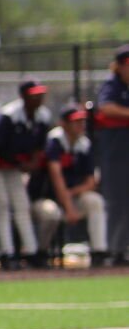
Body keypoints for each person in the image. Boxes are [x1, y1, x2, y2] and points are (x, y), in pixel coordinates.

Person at [0, 79, 55, 267]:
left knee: (22, 205)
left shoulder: (43, 116)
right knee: (2, 204)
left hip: (15, 165)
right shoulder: (9, 115)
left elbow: (39, 146)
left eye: (40, 94)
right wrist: (21, 162)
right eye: (34, 95)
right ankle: (7, 253)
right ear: (24, 96)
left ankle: (30, 251)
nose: (38, 98)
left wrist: (31, 161)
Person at [33, 105, 107, 261]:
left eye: (82, 121)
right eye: (75, 122)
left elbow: (91, 182)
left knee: (95, 201)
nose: (80, 125)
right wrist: (69, 208)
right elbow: (56, 178)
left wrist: (71, 195)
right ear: (64, 124)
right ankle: (40, 253)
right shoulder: (54, 142)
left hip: (71, 196)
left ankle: (98, 252)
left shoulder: (83, 143)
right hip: (46, 197)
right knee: (51, 214)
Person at [92, 44, 129, 263]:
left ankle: (123, 249)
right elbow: (105, 108)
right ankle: (114, 250)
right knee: (117, 202)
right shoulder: (112, 85)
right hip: (115, 157)